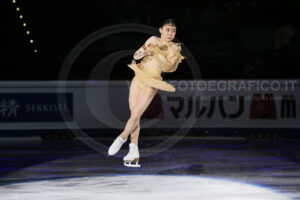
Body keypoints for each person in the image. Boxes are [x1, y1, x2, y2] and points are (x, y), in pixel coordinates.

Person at [108, 19, 185, 167]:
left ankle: (121, 138)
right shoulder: (152, 39)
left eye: (173, 31)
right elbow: (136, 56)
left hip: (152, 81)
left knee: (137, 114)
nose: (170, 33)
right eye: (168, 30)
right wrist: (146, 49)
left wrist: (159, 51)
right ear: (160, 29)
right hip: (139, 76)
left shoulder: (175, 48)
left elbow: (169, 67)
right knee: (133, 116)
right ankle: (134, 150)